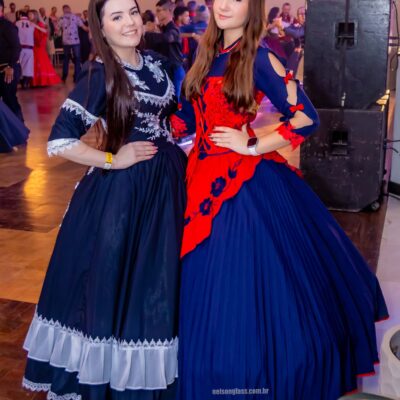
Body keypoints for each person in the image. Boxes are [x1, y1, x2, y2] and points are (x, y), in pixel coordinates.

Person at [171, 0, 389, 399]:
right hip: (197, 178)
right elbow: (184, 118)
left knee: (239, 286)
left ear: (252, 7)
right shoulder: (204, 55)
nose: (224, 5)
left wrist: (252, 145)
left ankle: (242, 378)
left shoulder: (258, 57)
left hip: (239, 182)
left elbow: (306, 117)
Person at [22, 0, 186, 398]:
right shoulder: (100, 74)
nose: (129, 22)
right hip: (125, 195)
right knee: (120, 279)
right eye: (117, 17)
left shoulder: (158, 63)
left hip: (167, 188)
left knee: (159, 279)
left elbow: (172, 118)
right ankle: (115, 378)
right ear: (101, 27)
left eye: (132, 12)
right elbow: (60, 141)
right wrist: (114, 159)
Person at [145, 0, 184, 98]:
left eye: (159, 11)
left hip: (175, 70)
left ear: (168, 11)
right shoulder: (162, 29)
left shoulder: (173, 29)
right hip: (167, 69)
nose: (156, 14)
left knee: (175, 100)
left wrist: (146, 33)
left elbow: (167, 38)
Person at [0, 0, 23, 121]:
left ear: (1, 8)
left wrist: (10, 66)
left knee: (10, 100)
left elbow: (16, 47)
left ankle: (20, 129)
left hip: (8, 69)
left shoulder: (7, 26)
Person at [29, 9, 61, 86]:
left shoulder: (40, 23)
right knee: (33, 64)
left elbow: (45, 32)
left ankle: (43, 80)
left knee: (41, 62)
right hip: (32, 46)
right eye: (28, 14)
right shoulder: (28, 23)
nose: (29, 16)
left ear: (35, 15)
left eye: (31, 14)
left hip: (39, 46)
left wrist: (36, 27)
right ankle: (34, 81)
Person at [59, 4, 89, 83]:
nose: (66, 10)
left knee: (76, 58)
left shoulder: (75, 17)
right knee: (68, 58)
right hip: (68, 42)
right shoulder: (62, 18)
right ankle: (65, 76)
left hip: (74, 41)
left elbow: (84, 27)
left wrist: (92, 29)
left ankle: (75, 76)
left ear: (69, 9)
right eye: (65, 9)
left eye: (67, 9)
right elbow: (57, 28)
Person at [15, 11, 35, 88]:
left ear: (20, 15)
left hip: (20, 48)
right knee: (28, 66)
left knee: (19, 65)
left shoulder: (17, 23)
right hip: (29, 48)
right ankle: (25, 82)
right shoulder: (31, 24)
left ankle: (20, 81)